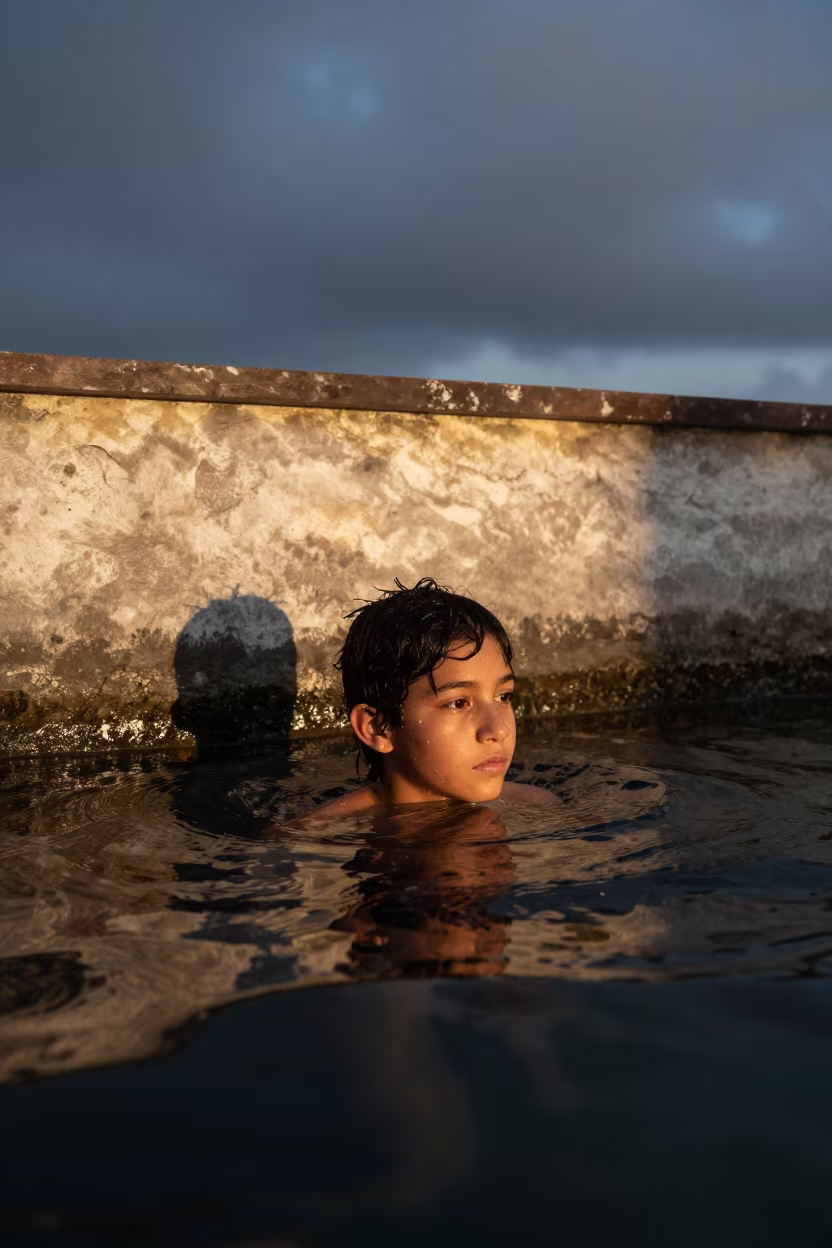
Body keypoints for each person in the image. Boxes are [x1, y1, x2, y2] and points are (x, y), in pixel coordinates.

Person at [317, 577, 556, 815]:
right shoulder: (320, 837)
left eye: (503, 697)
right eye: (458, 703)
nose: (498, 730)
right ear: (377, 727)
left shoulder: (539, 805)